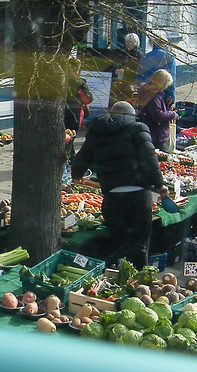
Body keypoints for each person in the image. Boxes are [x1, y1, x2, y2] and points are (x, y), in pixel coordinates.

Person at [70, 101, 169, 269]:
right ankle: (137, 279)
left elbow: (81, 158)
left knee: (117, 238)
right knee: (139, 244)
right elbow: (149, 158)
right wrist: (159, 185)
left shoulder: (98, 132)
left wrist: (77, 176)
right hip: (138, 197)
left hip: (113, 198)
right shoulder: (138, 128)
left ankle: (96, 260)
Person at [136, 69, 180, 153]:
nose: (165, 88)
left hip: (150, 133)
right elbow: (157, 115)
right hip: (156, 136)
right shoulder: (154, 96)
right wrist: (173, 114)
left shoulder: (148, 92)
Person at [136, 31, 176, 106]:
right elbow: (171, 80)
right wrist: (171, 97)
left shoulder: (144, 57)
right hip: (161, 95)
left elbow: (138, 77)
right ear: (165, 44)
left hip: (145, 94)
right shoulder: (169, 57)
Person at [64, 58, 94, 132]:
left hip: (59, 112)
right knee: (71, 136)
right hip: (74, 114)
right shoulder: (79, 82)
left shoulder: (60, 79)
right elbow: (88, 99)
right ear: (78, 68)